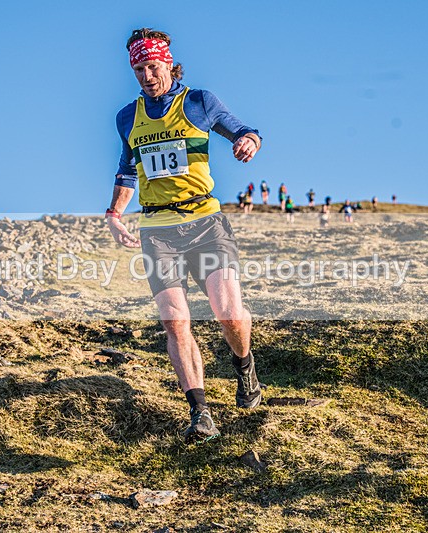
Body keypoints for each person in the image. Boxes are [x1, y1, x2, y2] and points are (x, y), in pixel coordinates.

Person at [106, 28, 264, 444]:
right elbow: (127, 169)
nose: (145, 75)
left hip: (205, 224)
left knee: (228, 311)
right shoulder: (127, 117)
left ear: (168, 64)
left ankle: (244, 365)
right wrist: (115, 211)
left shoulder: (198, 101)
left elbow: (245, 130)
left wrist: (248, 142)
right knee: (176, 322)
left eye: (151, 66)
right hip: (157, 231)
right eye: (138, 69)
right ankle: (200, 412)